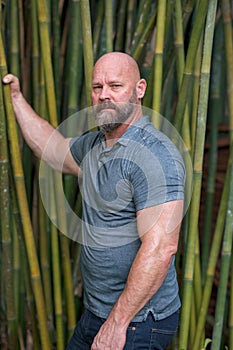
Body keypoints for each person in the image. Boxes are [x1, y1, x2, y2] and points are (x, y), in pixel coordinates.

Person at [3, 52, 186, 350]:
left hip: (139, 321)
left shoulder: (155, 156)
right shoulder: (95, 145)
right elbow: (53, 150)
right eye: (97, 87)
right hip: (98, 312)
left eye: (115, 86)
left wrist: (117, 323)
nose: (104, 95)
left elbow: (161, 248)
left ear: (139, 89)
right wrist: (16, 98)